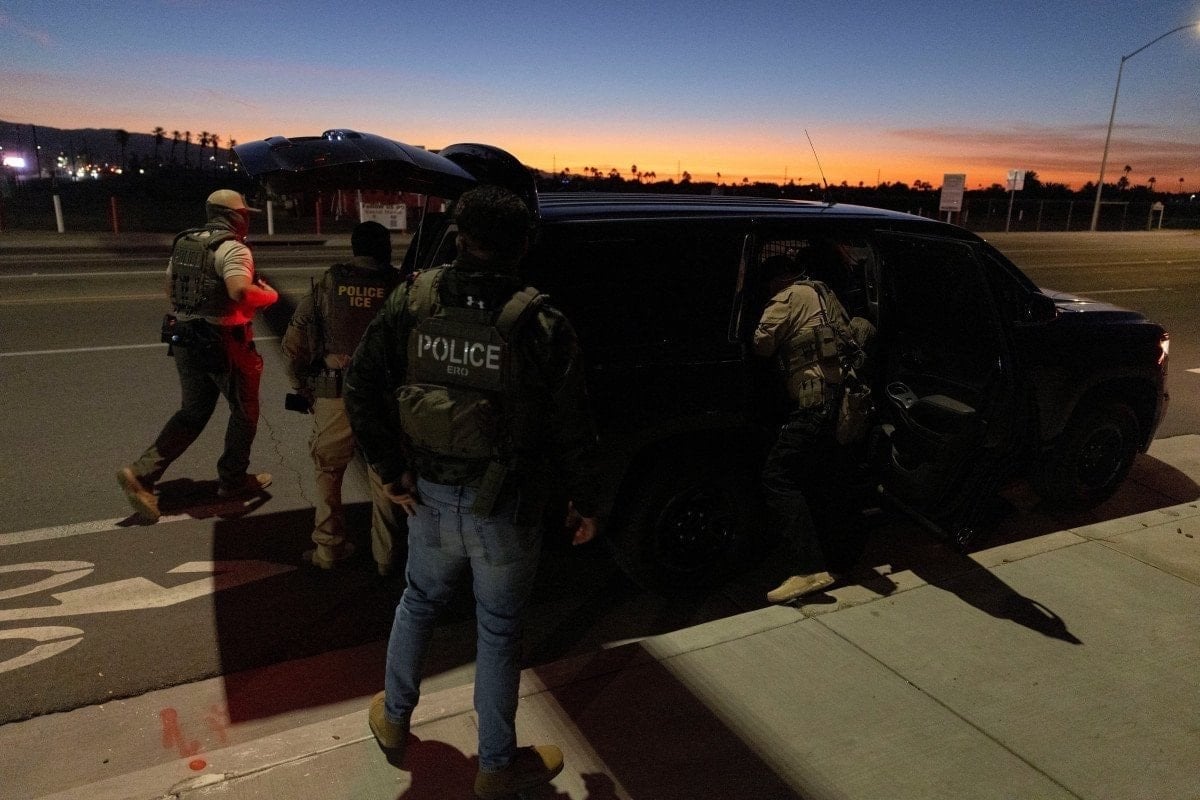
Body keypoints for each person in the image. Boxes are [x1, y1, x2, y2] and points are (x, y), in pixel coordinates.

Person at [344, 185, 600, 798]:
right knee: (499, 629)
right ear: (523, 246)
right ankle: (494, 766)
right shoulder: (540, 322)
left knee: (418, 601)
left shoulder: (414, 298)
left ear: (458, 237)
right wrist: (586, 502)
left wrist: (389, 469)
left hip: (428, 494)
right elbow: (572, 426)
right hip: (506, 507)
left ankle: (394, 718)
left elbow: (360, 383)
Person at [117, 189, 279, 521]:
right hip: (223, 341)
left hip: (185, 336)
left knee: (193, 412)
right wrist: (270, 296)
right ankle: (232, 480)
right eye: (244, 214)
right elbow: (239, 291)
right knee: (245, 411)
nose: (246, 220)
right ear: (234, 216)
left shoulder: (186, 244)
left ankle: (142, 474)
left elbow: (170, 289)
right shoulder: (233, 249)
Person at [281, 221, 403, 574]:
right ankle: (387, 557)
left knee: (328, 471)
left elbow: (295, 341)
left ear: (354, 248)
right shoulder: (400, 287)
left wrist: (303, 386)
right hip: (383, 396)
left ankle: (329, 549)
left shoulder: (330, 283)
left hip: (335, 392)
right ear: (386, 249)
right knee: (384, 474)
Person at [754, 252, 864, 604]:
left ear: (777, 280)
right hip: (837, 400)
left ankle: (807, 569)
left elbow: (762, 343)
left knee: (778, 477)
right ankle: (838, 561)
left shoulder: (788, 296)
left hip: (813, 403)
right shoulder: (823, 292)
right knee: (824, 481)